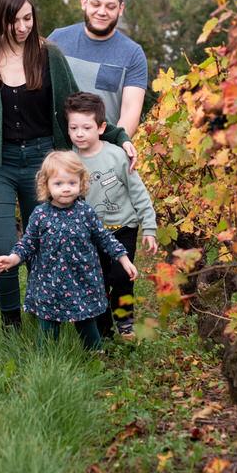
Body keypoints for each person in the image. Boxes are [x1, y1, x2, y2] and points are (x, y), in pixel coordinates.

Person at [0, 0, 137, 331]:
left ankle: (48, 321)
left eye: (28, 19)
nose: (22, 27)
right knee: (5, 248)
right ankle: (11, 327)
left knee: (47, 246)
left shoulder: (48, 54)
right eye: (14, 21)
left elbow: (75, 104)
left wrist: (117, 136)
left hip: (44, 163)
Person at [0, 151, 138, 349]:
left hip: (81, 280)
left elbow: (104, 238)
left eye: (72, 183)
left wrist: (124, 259)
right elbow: (28, 242)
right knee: (48, 326)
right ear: (47, 185)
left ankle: (96, 359)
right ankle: (48, 361)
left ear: (81, 183)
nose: (66, 189)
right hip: (49, 283)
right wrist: (13, 258)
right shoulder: (40, 214)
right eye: (58, 184)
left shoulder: (85, 212)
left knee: (86, 322)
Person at [66, 92, 157, 340]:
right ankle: (102, 329)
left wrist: (149, 228)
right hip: (91, 234)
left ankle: (125, 320)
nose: (79, 133)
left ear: (102, 127)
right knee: (97, 280)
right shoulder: (70, 160)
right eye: (73, 127)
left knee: (121, 275)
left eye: (86, 127)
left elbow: (138, 193)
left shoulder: (117, 155)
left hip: (123, 227)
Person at [48, 0, 148, 138]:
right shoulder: (57, 40)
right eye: (96, 4)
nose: (102, 12)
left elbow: (130, 113)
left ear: (120, 9)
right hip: (57, 153)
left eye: (110, 6)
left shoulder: (133, 54)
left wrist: (113, 152)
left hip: (102, 153)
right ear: (84, 3)